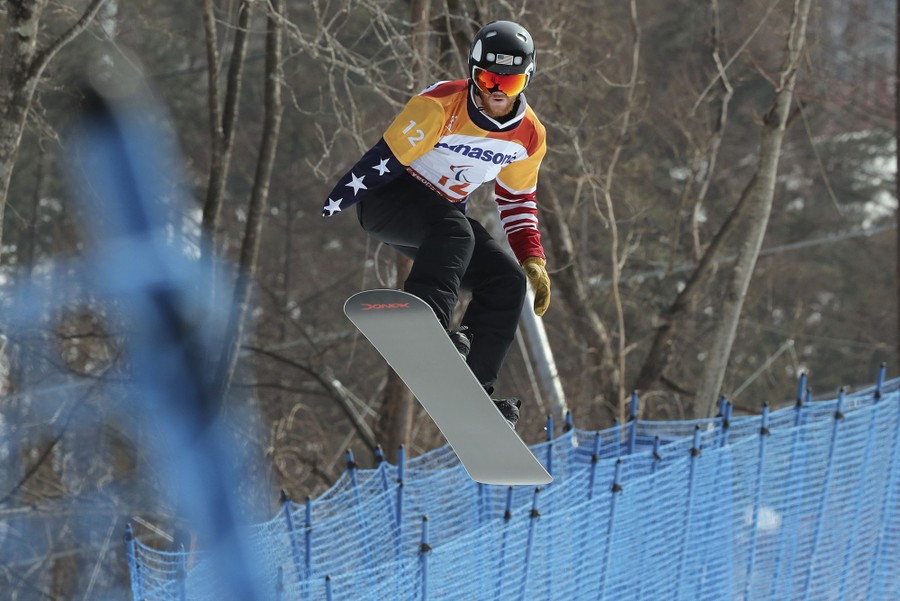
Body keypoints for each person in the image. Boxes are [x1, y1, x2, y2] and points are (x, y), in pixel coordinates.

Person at [322, 20, 551, 429]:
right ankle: (427, 325)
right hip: (391, 200)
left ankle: (474, 392)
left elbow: (516, 198)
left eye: (510, 81)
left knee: (506, 281)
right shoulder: (441, 105)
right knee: (457, 230)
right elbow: (386, 158)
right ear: (473, 71)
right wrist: (343, 194)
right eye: (487, 78)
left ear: (526, 79)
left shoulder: (529, 135)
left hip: (441, 219)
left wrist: (532, 259)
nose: (497, 91)